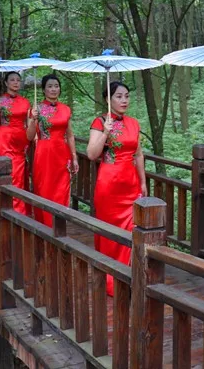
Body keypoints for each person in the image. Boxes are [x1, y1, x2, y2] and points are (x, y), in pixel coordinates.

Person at [86, 81, 146, 296]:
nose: (124, 100)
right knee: (111, 232)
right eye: (119, 96)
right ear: (108, 99)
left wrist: (143, 181)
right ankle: (110, 278)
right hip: (109, 184)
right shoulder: (99, 121)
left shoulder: (133, 123)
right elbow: (92, 154)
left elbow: (138, 153)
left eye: (126, 96)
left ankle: (129, 276)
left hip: (130, 184)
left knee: (131, 232)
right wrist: (104, 132)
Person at [28, 74, 78, 227]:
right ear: (43, 90)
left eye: (56, 86)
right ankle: (44, 225)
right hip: (44, 152)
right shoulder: (36, 109)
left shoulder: (66, 109)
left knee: (62, 189)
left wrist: (74, 157)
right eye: (49, 86)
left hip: (62, 153)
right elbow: (30, 136)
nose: (53, 89)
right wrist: (33, 119)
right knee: (44, 188)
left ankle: (60, 225)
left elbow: (70, 135)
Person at [0, 71, 31, 210]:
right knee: (10, 171)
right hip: (5, 138)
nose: (15, 82)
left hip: (21, 139)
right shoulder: (0, 101)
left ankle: (20, 206)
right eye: (12, 80)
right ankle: (12, 207)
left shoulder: (25, 101)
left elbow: (29, 123)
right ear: (6, 83)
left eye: (18, 80)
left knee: (20, 173)